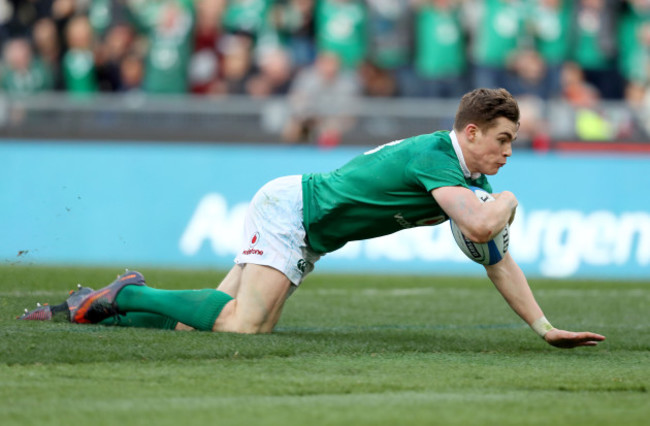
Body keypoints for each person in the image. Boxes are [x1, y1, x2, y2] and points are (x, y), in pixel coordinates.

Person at [19, 88, 605, 349]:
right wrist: (507, 203)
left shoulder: (466, 180)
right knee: (242, 328)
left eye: (514, 144)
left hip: (304, 226)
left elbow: (495, 260)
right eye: (502, 141)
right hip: (291, 211)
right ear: (470, 132)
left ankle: (88, 312)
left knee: (203, 327)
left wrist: (543, 326)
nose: (508, 153)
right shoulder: (440, 159)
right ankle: (129, 293)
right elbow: (483, 229)